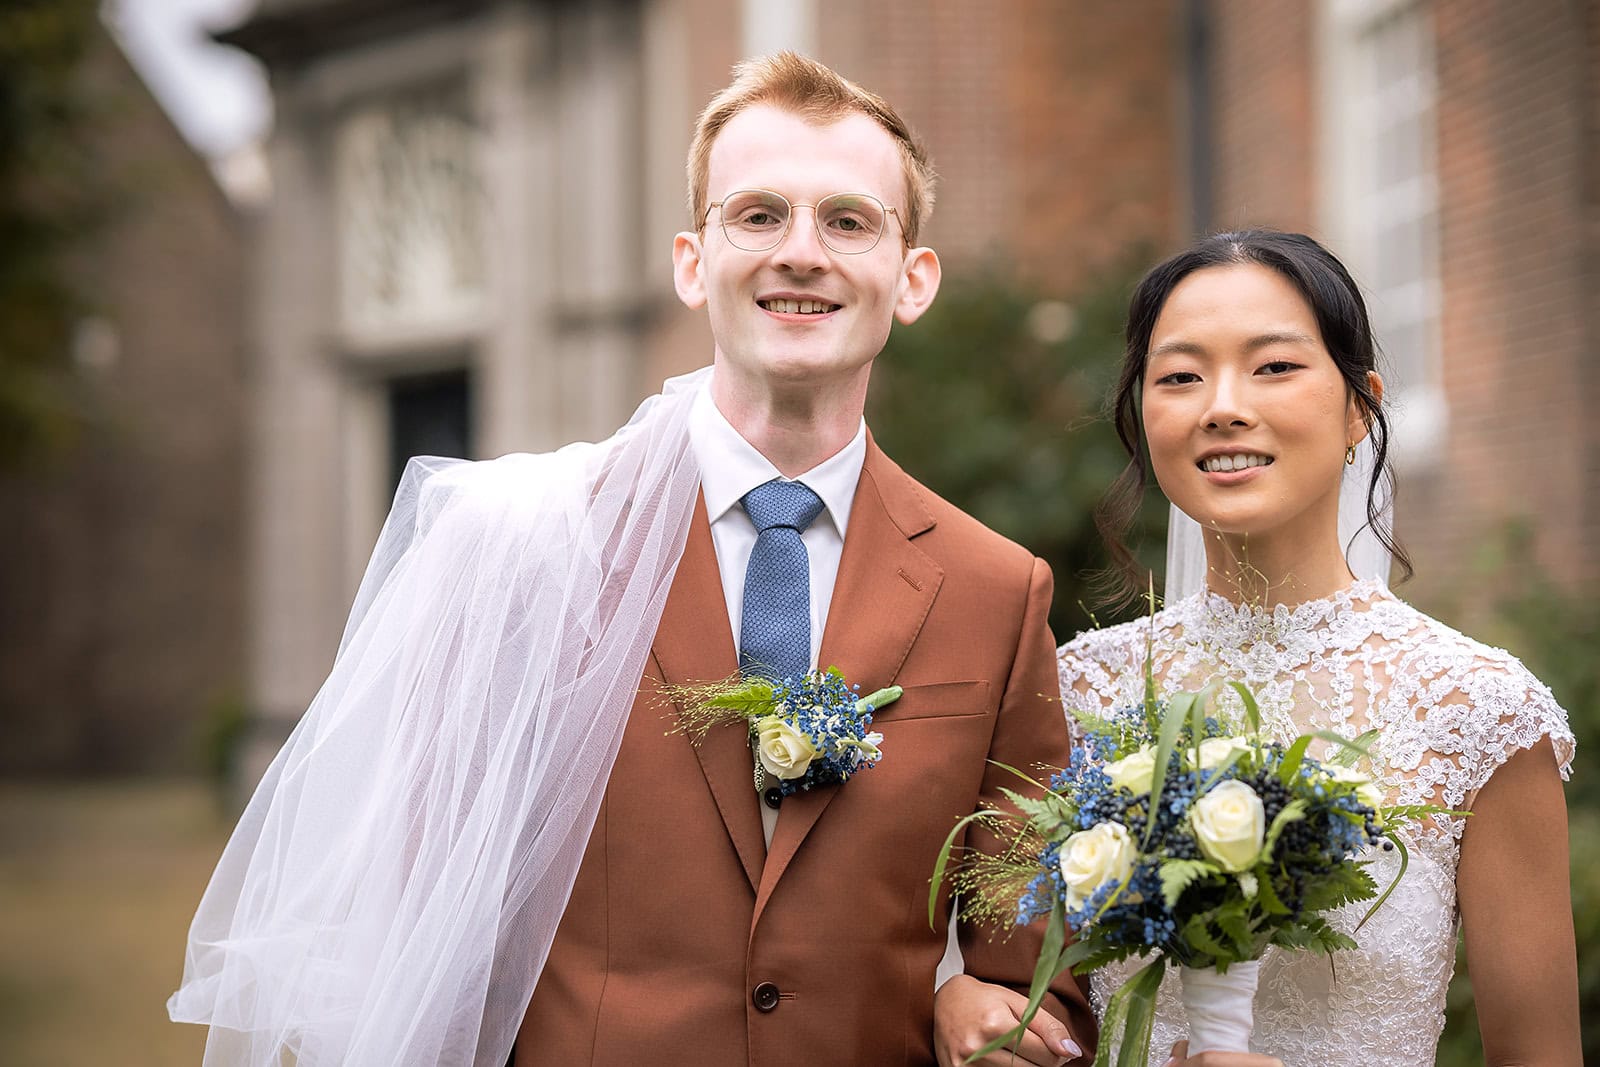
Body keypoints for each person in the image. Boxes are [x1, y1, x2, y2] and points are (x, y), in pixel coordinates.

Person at [169, 52, 1092, 1067]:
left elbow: (1035, 962)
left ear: (910, 278)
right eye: (756, 215)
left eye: (848, 219)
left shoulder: (996, 590)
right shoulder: (521, 547)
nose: (801, 252)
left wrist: (984, 997)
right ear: (692, 262)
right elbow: (411, 929)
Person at [939, 229, 1580, 1065]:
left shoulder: (1481, 711)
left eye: (1274, 366)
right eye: (1180, 376)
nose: (1222, 405)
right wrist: (953, 994)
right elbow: (1004, 969)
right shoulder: (1070, 689)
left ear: (1360, 406)